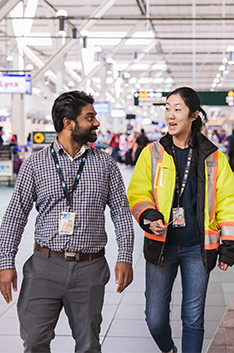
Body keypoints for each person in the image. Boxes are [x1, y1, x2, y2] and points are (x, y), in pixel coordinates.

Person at [0, 90, 134, 353]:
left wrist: (125, 256)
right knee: (35, 342)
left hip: (90, 268)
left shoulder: (105, 164)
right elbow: (15, 215)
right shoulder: (35, 164)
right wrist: (6, 262)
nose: (96, 123)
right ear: (68, 122)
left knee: (88, 345)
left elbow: (120, 211)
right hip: (44, 267)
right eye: (90, 117)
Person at [127, 87, 234, 353]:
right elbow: (137, 192)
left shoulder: (214, 157)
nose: (170, 114)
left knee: (193, 319)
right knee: (155, 318)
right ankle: (169, 349)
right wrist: (148, 215)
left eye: (177, 108)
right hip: (161, 246)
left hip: (197, 249)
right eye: (167, 108)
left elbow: (228, 202)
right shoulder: (152, 153)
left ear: (193, 115)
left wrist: (229, 246)